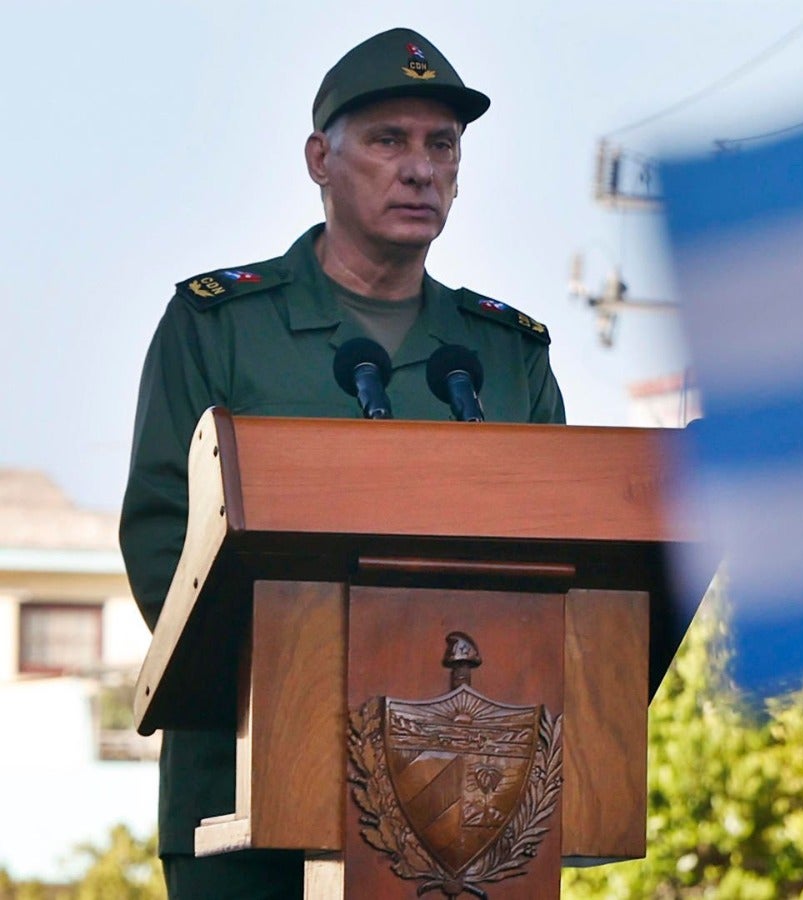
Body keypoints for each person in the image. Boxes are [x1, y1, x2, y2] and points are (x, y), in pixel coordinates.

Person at [119, 28, 565, 897]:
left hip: (473, 810)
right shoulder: (220, 328)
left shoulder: (505, 356)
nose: (421, 168)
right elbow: (161, 546)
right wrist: (296, 693)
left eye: (443, 145)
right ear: (320, 158)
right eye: (388, 140)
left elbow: (560, 564)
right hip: (247, 803)